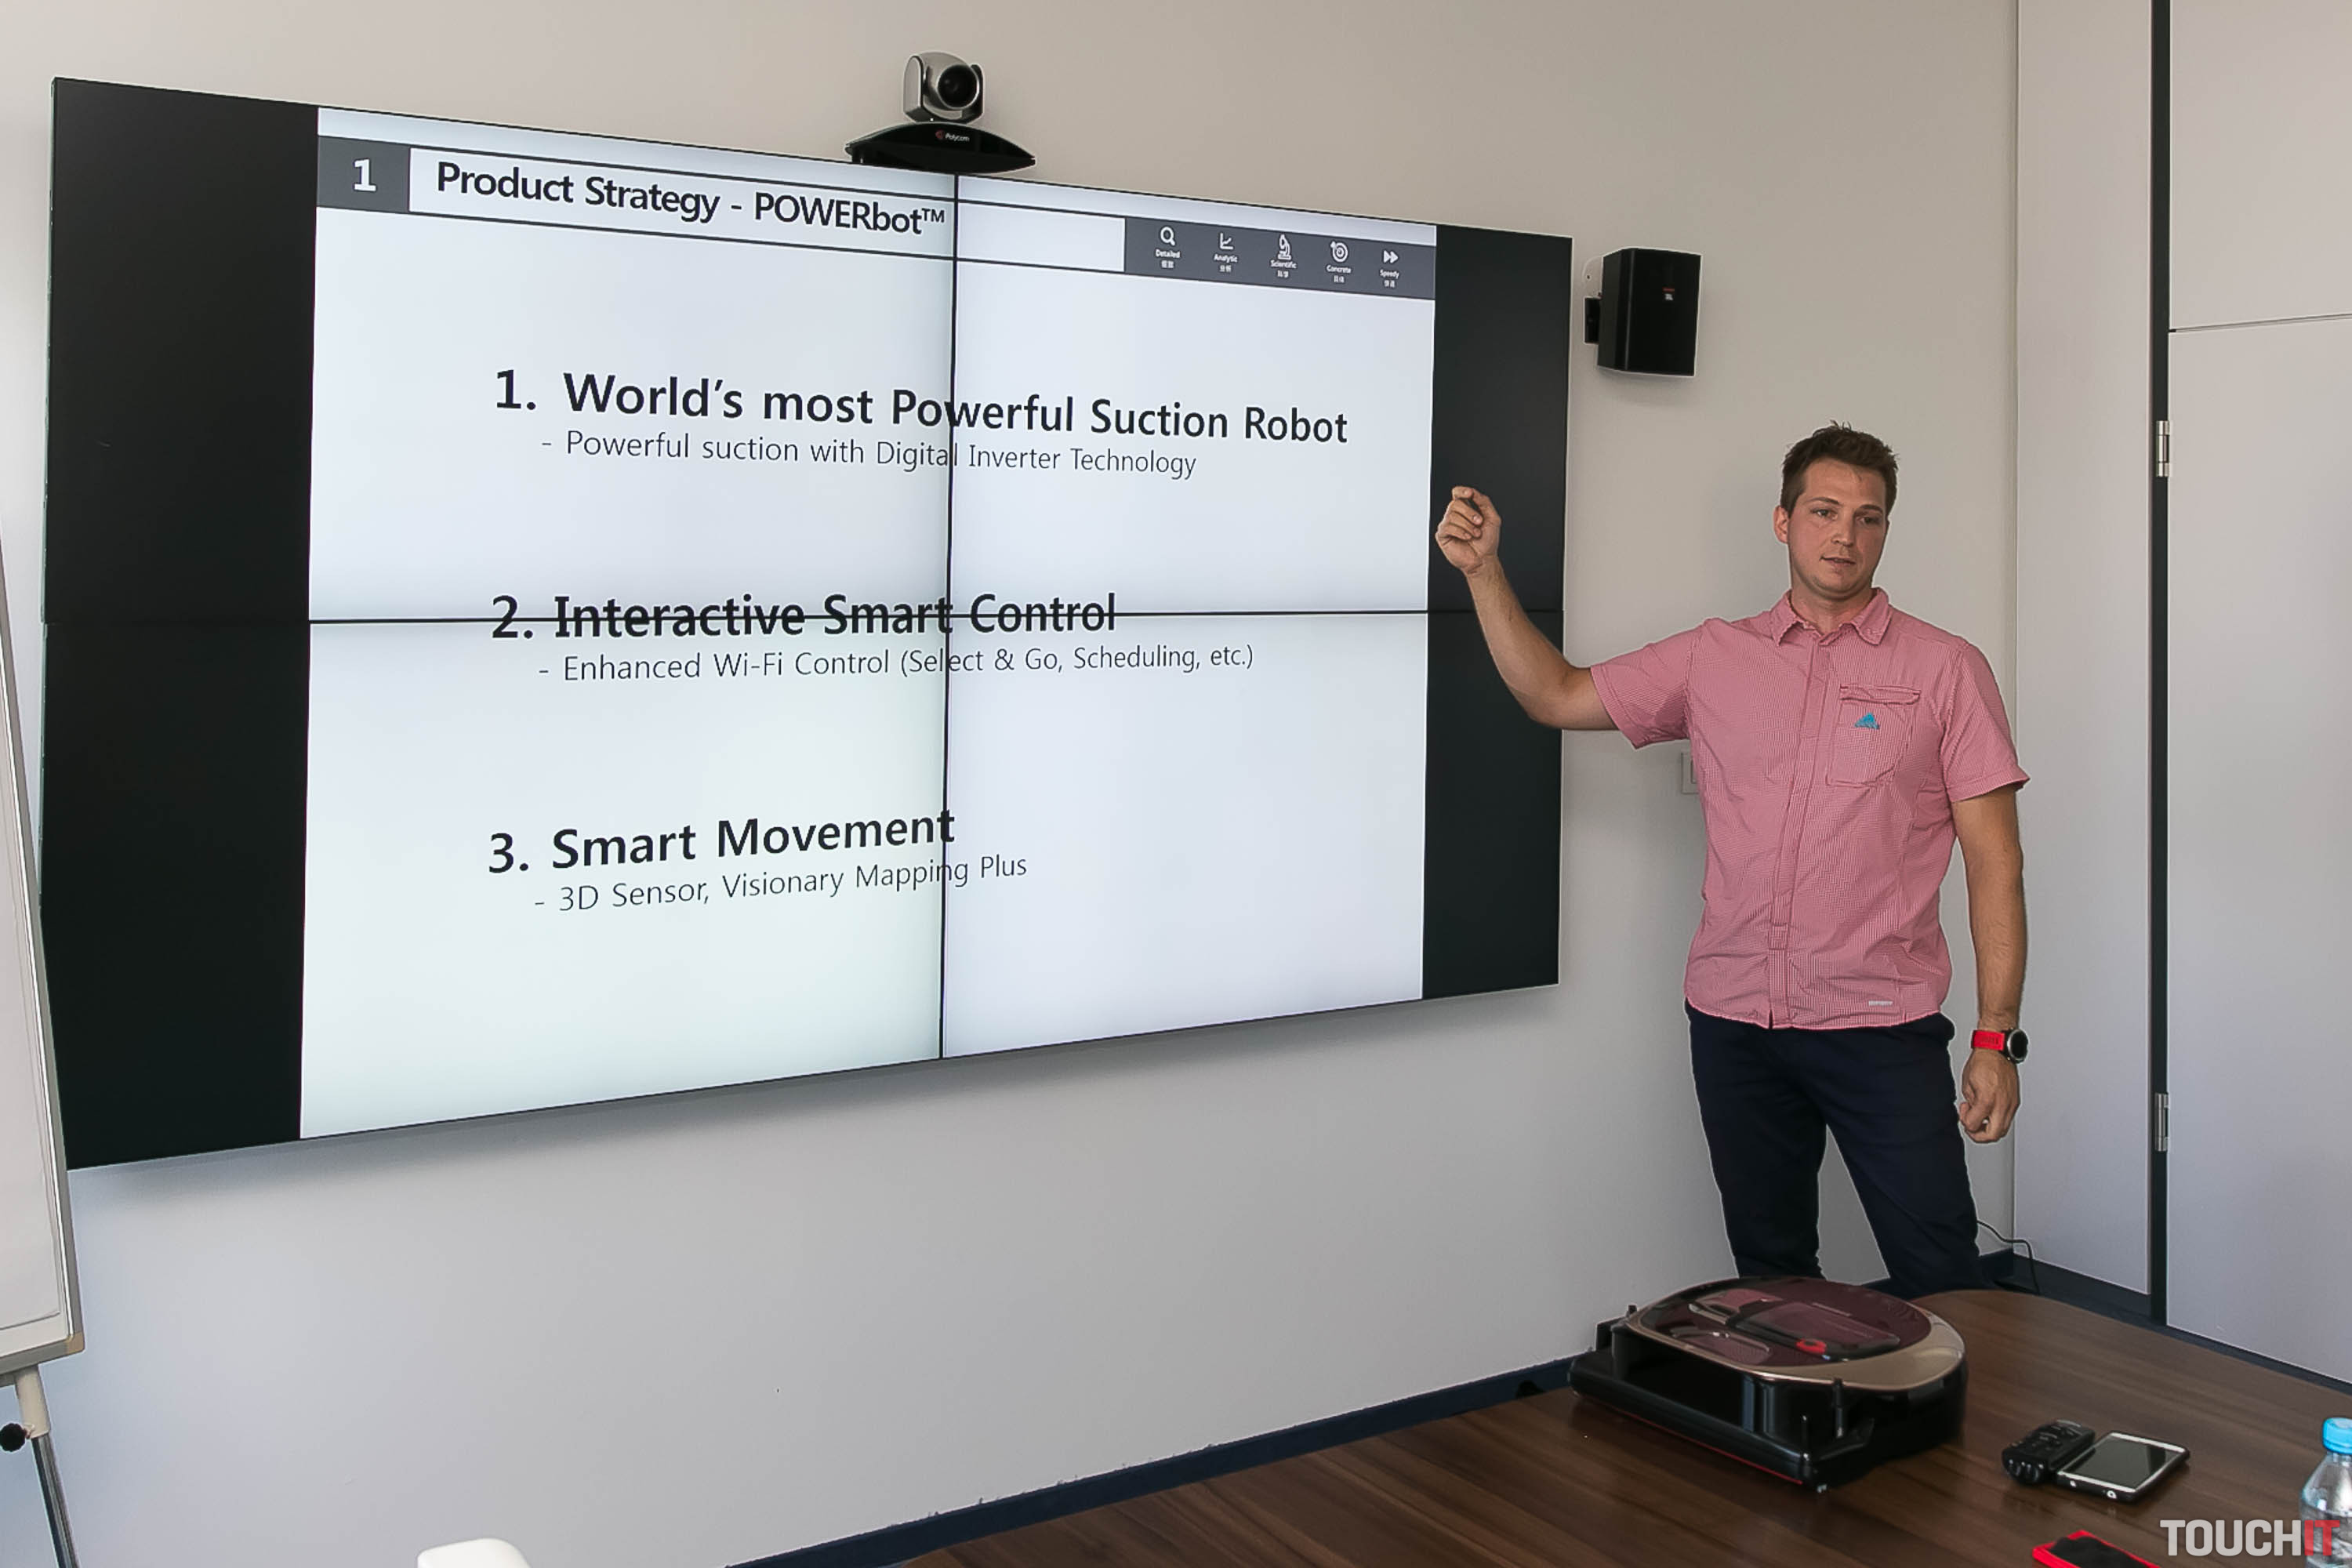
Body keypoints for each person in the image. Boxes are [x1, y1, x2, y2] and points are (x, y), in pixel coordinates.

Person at [1436, 424, 2026, 1298]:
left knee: (1943, 1277)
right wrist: (1484, 572)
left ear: (1885, 531)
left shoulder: (1947, 670)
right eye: (1824, 511)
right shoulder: (1713, 657)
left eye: (1867, 518)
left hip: (1879, 1026)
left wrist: (1995, 1038)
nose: (1845, 535)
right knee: (1771, 1276)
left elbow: (1996, 864)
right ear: (1783, 522)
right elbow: (1555, 695)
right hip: (1735, 1022)